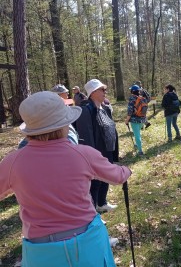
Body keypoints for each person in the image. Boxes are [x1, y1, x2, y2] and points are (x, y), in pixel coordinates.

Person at [0, 91, 132, 266]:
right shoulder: (84, 154)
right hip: (87, 240)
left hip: (40, 250)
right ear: (65, 125)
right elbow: (118, 176)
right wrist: (126, 170)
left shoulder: (12, 162)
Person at [76, 79, 120, 213]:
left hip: (107, 150)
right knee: (95, 183)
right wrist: (91, 157)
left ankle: (102, 203)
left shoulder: (105, 109)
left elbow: (112, 129)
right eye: (102, 90)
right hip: (95, 153)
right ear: (93, 92)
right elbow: (86, 135)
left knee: (105, 177)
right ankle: (93, 211)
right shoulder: (85, 110)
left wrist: (114, 152)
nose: (105, 92)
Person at [125, 84, 151, 155]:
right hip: (142, 119)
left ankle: (140, 151)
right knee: (138, 133)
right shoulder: (143, 98)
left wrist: (127, 120)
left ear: (132, 91)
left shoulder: (132, 99)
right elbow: (149, 99)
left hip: (134, 120)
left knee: (137, 135)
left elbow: (130, 111)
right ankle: (136, 144)